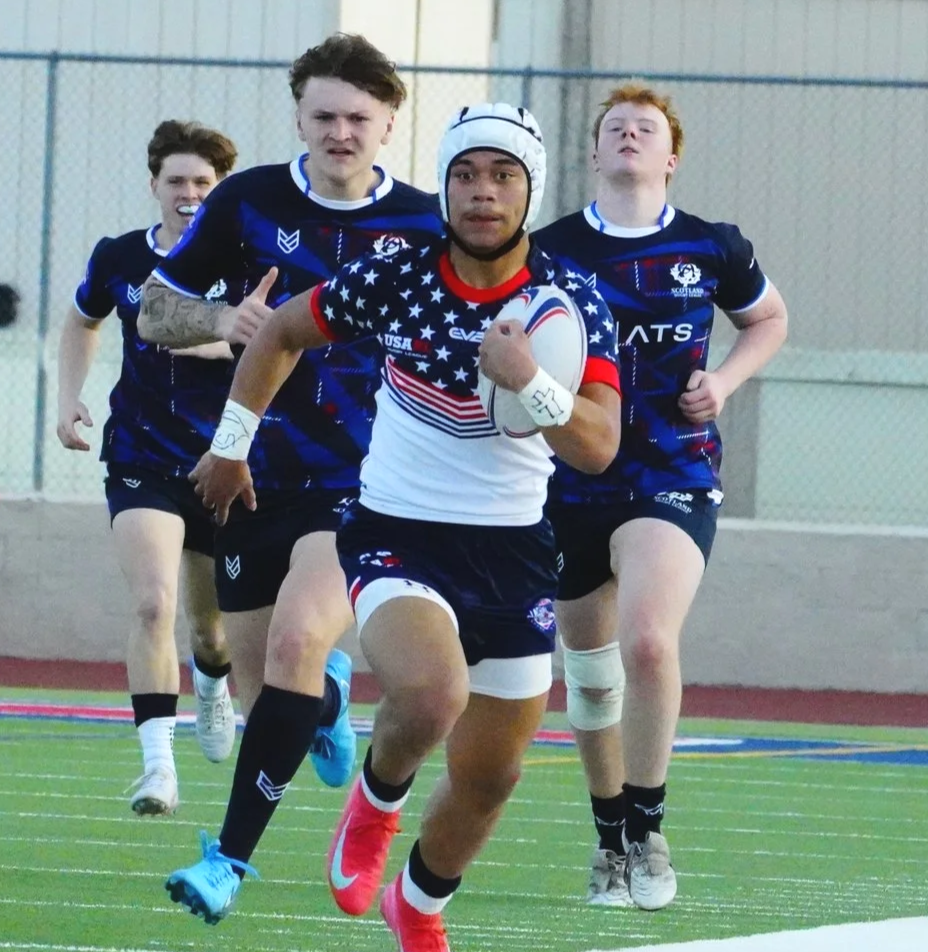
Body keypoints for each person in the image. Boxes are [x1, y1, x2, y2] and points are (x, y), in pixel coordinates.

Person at [174, 102, 623, 950]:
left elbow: (598, 446)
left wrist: (531, 383)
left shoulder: (569, 301)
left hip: (516, 551)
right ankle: (376, 800)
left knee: (491, 778)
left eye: (502, 177)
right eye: (463, 175)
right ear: (444, 186)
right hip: (396, 531)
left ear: (530, 192)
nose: (481, 193)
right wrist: (232, 445)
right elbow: (281, 330)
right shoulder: (398, 273)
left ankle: (416, 905)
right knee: (431, 693)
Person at [135, 32, 443, 915]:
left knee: (297, 642)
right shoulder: (246, 201)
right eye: (323, 116)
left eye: (358, 117)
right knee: (260, 677)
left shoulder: (426, 223)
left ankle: (225, 863)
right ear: (298, 117)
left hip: (369, 479)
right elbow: (153, 311)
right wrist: (222, 318)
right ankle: (326, 702)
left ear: (388, 123)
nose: (340, 132)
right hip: (249, 469)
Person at [534, 83, 789, 911]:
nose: (631, 138)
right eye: (617, 129)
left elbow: (769, 320)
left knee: (648, 642)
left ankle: (647, 829)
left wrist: (724, 381)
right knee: (591, 674)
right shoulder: (548, 250)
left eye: (647, 129)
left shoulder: (712, 246)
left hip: (672, 473)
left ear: (671, 156)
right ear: (596, 153)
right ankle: (607, 834)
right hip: (572, 476)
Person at [56, 120, 240, 815]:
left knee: (212, 632)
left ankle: (214, 684)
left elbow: (286, 342)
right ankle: (158, 768)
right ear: (154, 185)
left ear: (219, 190)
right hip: (140, 454)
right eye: (177, 181)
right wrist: (69, 396)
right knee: (152, 601)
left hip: (224, 461)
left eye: (202, 183)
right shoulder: (122, 256)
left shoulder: (250, 260)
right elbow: (82, 319)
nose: (189, 194)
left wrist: (217, 344)